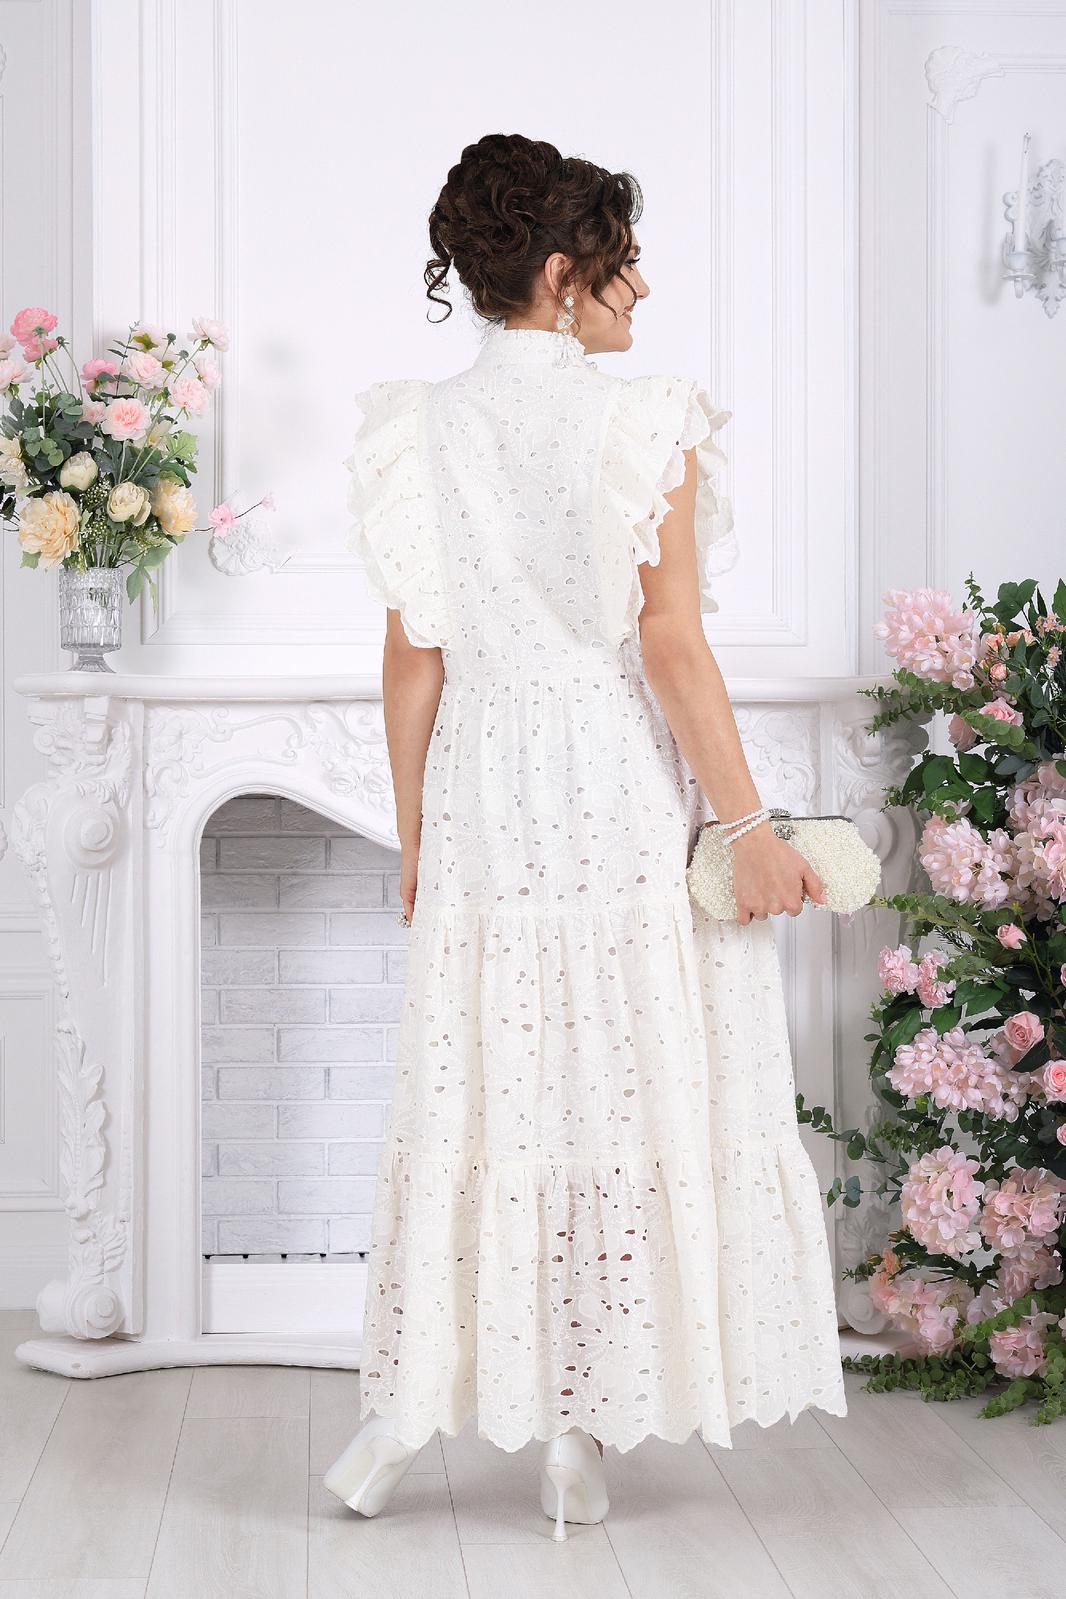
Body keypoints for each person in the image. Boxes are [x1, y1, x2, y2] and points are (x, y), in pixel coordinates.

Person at [325, 132, 847, 1535]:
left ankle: (409, 1421)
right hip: (611, 782)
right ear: (562, 274)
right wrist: (748, 823)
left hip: (486, 787)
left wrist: (416, 833)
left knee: (491, 1088)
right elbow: (670, 645)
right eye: (623, 262)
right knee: (614, 1087)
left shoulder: (415, 428)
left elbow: (413, 658)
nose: (641, 288)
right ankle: (573, 1432)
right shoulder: (643, 421)